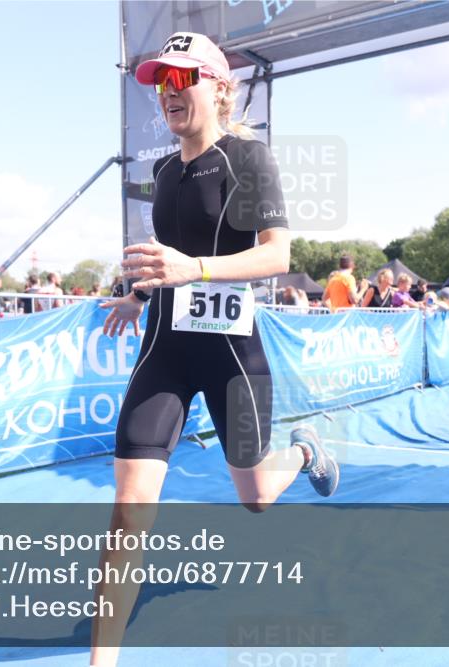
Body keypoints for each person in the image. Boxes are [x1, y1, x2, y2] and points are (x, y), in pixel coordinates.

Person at [94, 31, 338, 665]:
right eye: (159, 83)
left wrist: (194, 271)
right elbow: (165, 259)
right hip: (166, 348)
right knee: (131, 501)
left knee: (255, 498)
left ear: (221, 89)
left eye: (183, 80)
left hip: (231, 351)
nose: (168, 94)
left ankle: (305, 449)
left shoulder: (248, 160)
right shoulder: (162, 171)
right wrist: (139, 295)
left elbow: (277, 254)